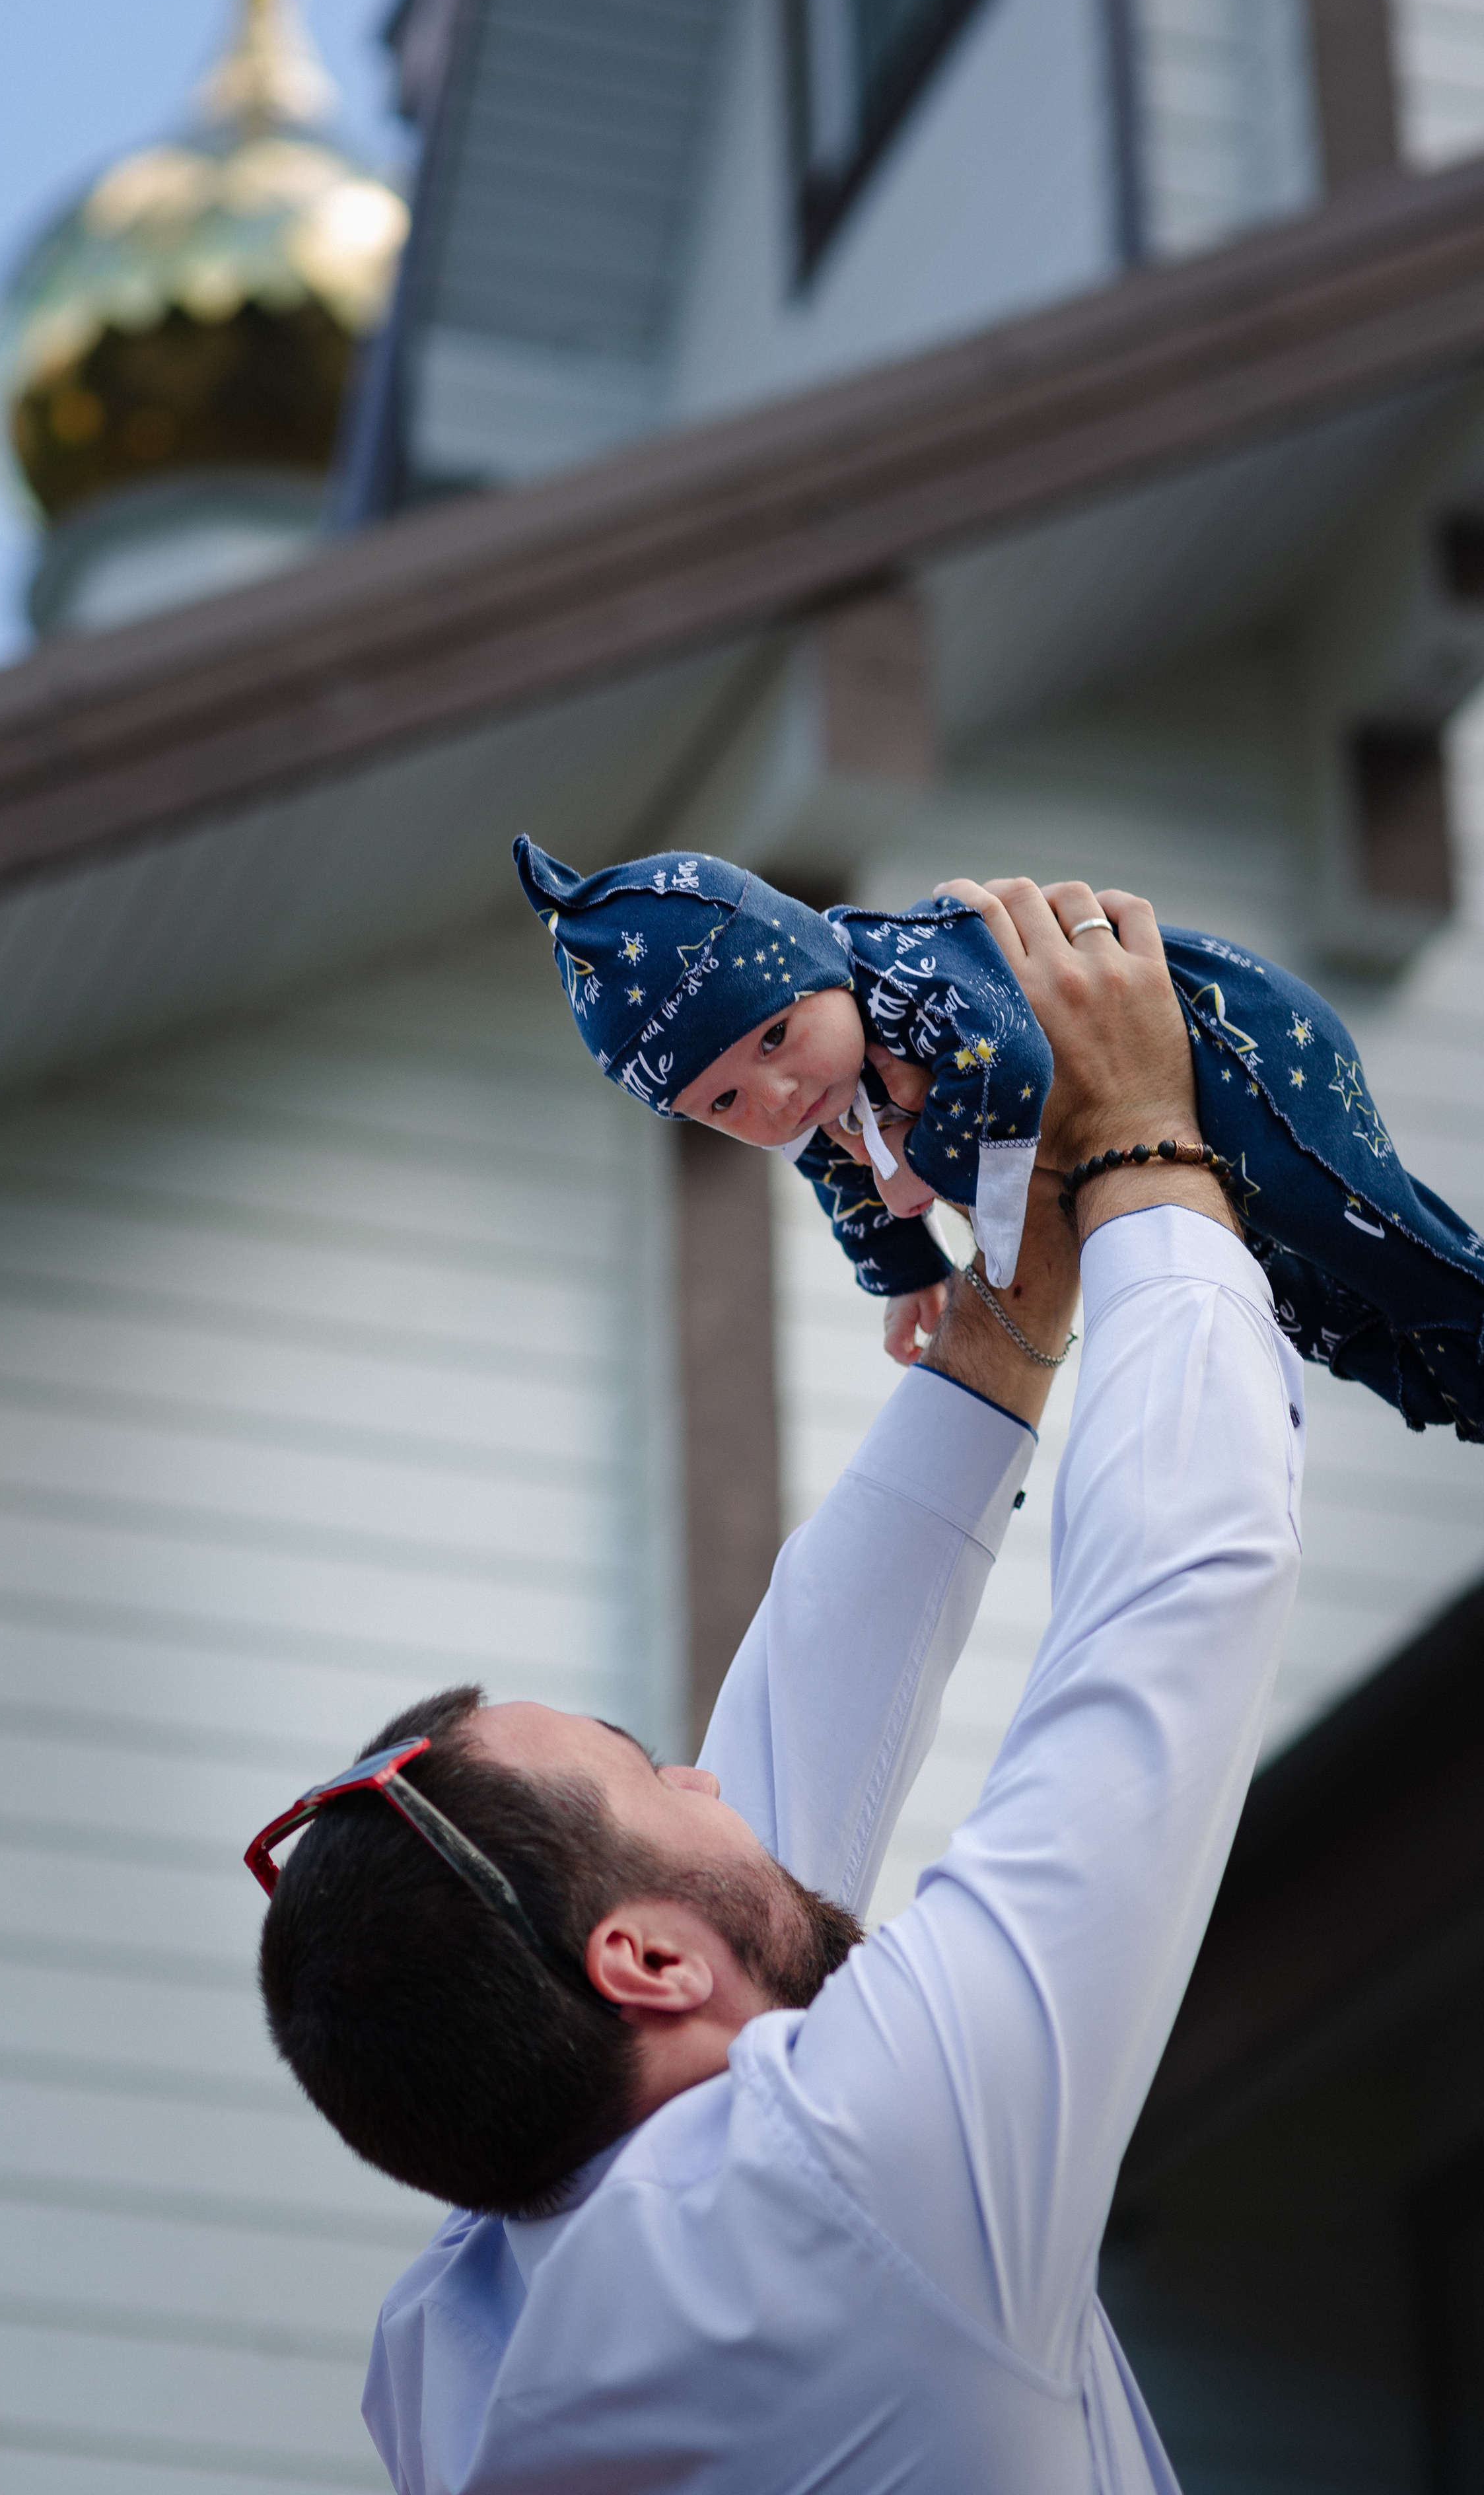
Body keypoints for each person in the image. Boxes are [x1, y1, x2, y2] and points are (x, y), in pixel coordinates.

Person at [252, 879, 1306, 2494]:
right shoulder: (854, 2174)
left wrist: (998, 1349)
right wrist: (1143, 1148)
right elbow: (1171, 1612)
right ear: (643, 1960)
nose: (706, 1776)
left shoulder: (461, 2332)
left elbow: (784, 1750)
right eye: (650, 1775)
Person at [514, 835, 1484, 1434]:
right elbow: (838, 1179)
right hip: (1148, 1113)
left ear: (811, 962)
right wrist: (903, 1271)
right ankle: (1424, 1378)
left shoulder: (901, 969)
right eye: (721, 1104)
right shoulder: (820, 1093)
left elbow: (1011, 1056)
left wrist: (924, 1168)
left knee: (1340, 1212)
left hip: (1221, 1032)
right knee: (1292, 1294)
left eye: (775, 1035)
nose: (772, 1097)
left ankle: (1465, 1327)